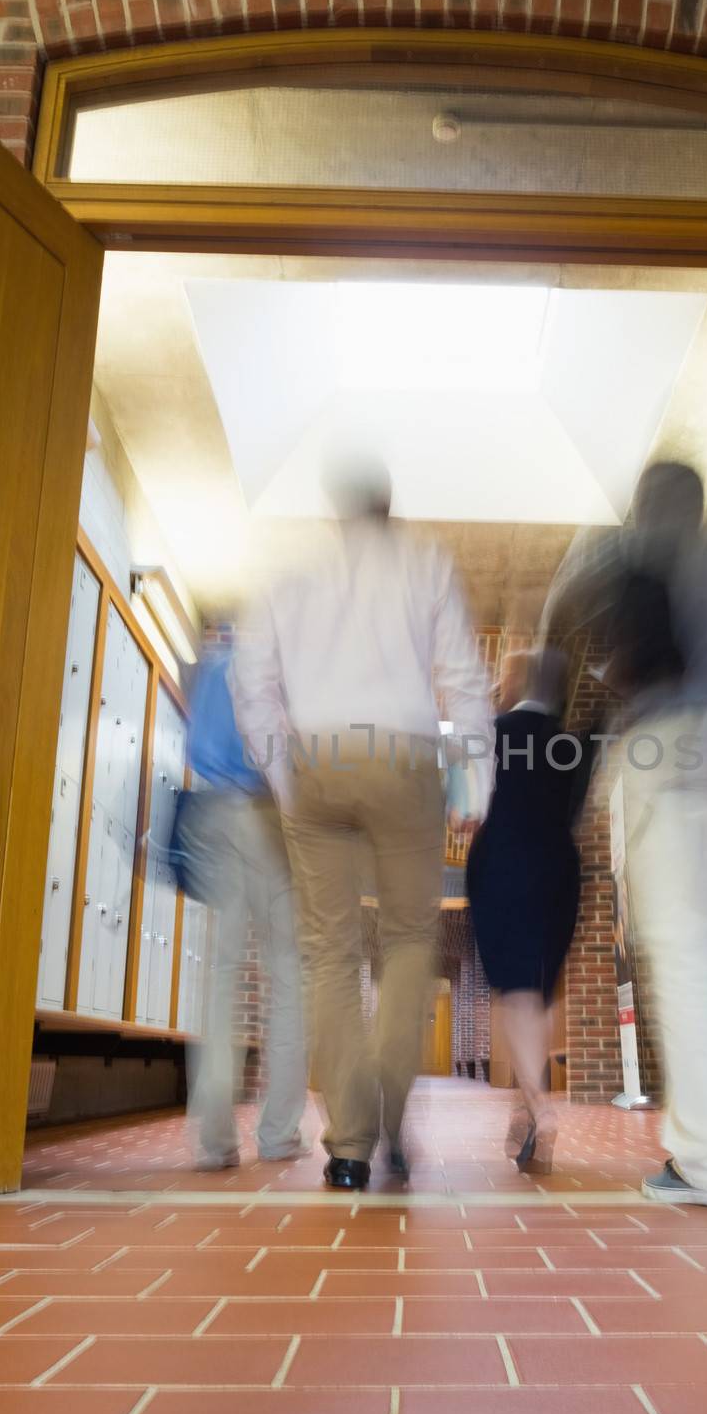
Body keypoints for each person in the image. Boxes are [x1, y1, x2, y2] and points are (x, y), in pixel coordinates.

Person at [231, 454, 492, 1191]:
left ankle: (349, 1145)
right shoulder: (424, 561)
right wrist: (474, 777)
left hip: (316, 761)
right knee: (410, 939)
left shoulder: (290, 571)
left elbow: (253, 682)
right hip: (403, 757)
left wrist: (285, 776)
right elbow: (464, 678)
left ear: (334, 507)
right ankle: (388, 1102)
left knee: (328, 953)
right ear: (388, 503)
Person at [543, 460, 707, 1208]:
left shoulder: (630, 555)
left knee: (681, 963)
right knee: (706, 962)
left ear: (645, 507)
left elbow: (562, 599)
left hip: (667, 756)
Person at [467, 647, 597, 1172]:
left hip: (504, 863)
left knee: (516, 992)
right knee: (542, 993)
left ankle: (541, 1108)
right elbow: (575, 812)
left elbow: (468, 807)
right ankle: (524, 1117)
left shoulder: (491, 732)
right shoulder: (575, 744)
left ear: (518, 682)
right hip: (560, 869)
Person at [180, 642, 310, 1171]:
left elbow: (194, 739)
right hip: (270, 815)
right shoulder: (286, 664)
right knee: (289, 977)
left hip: (211, 815)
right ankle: (278, 1134)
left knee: (220, 977)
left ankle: (214, 1141)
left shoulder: (212, 665)